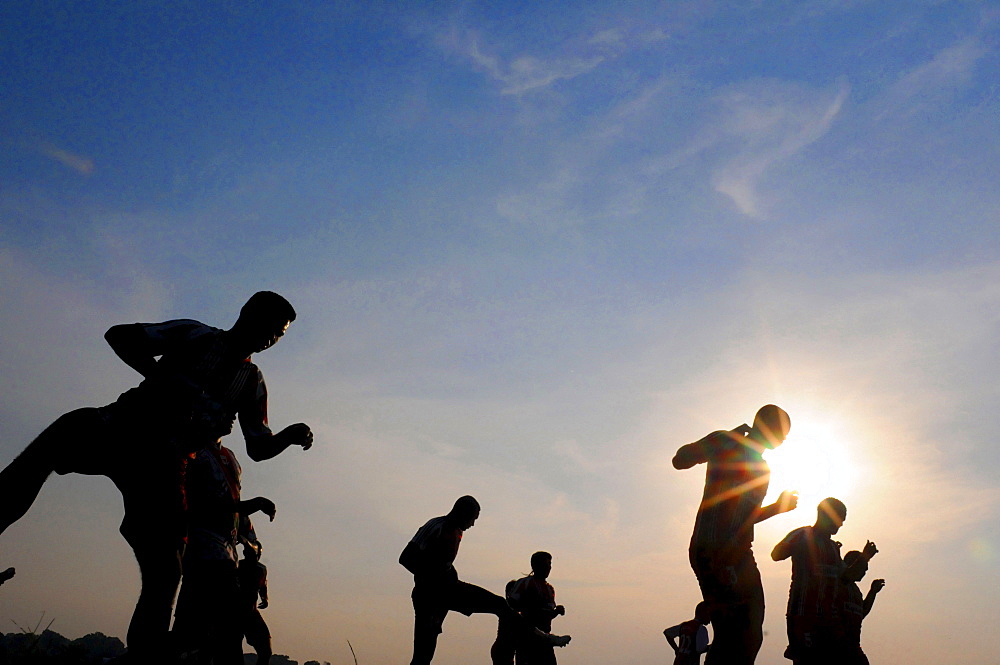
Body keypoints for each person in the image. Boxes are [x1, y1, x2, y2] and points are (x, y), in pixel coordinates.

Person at [0, 291, 313, 664]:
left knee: (166, 571)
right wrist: (164, 377)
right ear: (247, 314)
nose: (270, 339)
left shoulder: (251, 382)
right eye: (269, 327)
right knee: (46, 452)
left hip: (163, 467)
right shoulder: (196, 335)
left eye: (279, 335)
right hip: (120, 428)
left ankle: (143, 657)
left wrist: (288, 437)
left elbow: (258, 445)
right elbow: (119, 335)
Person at [672, 404, 797, 665]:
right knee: (732, 632)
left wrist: (776, 508)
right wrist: (718, 442)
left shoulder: (763, 471)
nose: (785, 438)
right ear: (766, 426)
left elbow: (743, 519)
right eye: (782, 431)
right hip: (713, 549)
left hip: (739, 552)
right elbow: (680, 460)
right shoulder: (726, 441)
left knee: (751, 631)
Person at [400, 496, 570, 665]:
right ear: (462, 513)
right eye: (472, 519)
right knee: (423, 654)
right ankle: (542, 636)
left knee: (499, 604)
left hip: (450, 590)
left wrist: (449, 572)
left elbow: (443, 563)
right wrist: (432, 579)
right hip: (429, 596)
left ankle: (543, 637)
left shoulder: (458, 532)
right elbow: (405, 558)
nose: (472, 524)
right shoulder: (436, 526)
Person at [172, 440, 275, 665]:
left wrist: (250, 545)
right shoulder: (193, 452)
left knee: (230, 635)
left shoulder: (240, 516)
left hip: (228, 566)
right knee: (197, 629)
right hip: (203, 553)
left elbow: (254, 542)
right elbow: (207, 504)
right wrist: (249, 505)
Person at [770, 498, 877, 665]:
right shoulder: (802, 535)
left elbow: (846, 579)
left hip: (828, 623)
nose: (841, 524)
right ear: (827, 515)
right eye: (840, 519)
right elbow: (776, 554)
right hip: (803, 616)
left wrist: (864, 558)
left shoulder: (834, 549)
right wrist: (802, 548)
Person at [501, 551, 566, 665]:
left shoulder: (549, 589)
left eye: (550, 564)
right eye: (545, 564)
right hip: (527, 639)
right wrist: (529, 606)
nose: (548, 568)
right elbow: (511, 605)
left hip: (546, 639)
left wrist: (557, 612)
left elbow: (547, 614)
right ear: (535, 565)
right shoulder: (524, 583)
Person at [832, 550, 884, 665]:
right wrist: (865, 557)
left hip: (853, 648)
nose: (864, 573)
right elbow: (844, 579)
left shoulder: (855, 591)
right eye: (863, 568)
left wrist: (873, 592)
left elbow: (861, 613)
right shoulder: (836, 582)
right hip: (834, 647)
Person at [238, 538, 272, 665]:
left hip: (251, 612)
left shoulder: (261, 569)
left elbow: (263, 585)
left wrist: (264, 597)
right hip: (234, 613)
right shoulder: (238, 566)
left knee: (266, 651)